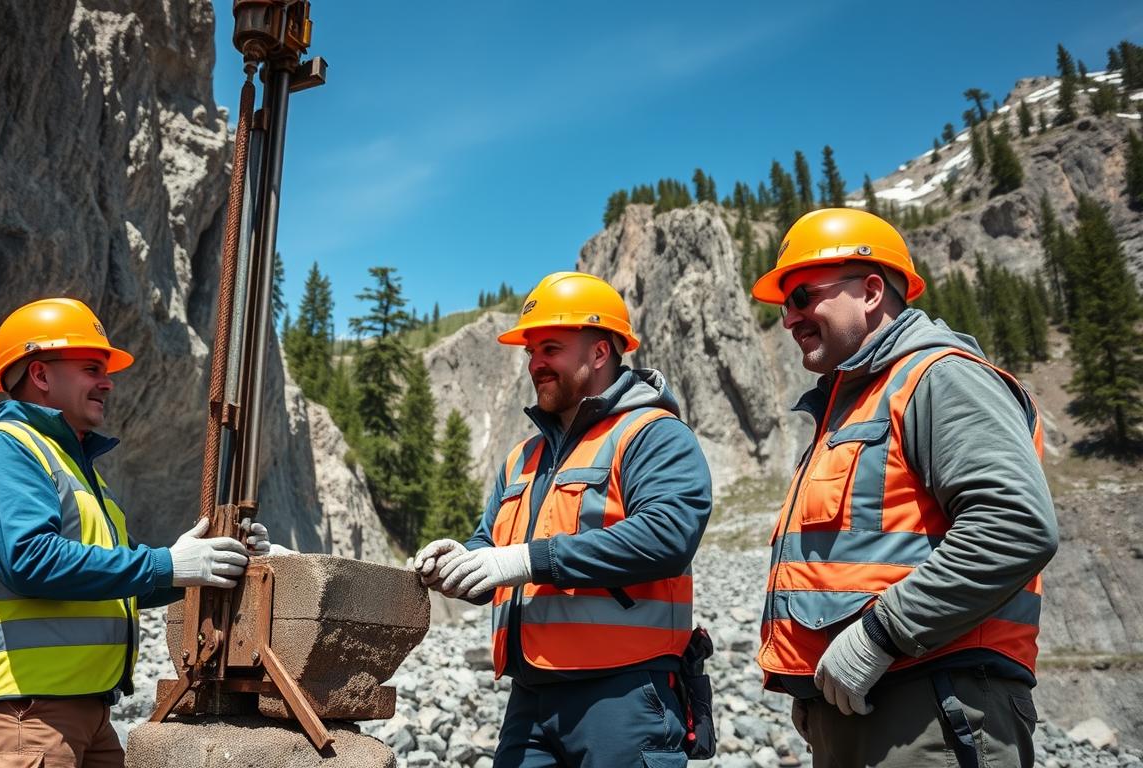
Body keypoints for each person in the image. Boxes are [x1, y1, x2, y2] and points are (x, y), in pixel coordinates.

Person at [751, 208, 1058, 767]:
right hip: (861, 709)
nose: (789, 318)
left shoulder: (940, 376)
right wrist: (811, 684)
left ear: (871, 291)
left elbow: (1015, 524)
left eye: (801, 297)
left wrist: (878, 637)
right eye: (782, 305)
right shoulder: (850, 407)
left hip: (937, 708)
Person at [0, 297, 272, 768]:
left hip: (84, 709)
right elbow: (31, 561)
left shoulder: (73, 467)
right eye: (92, 368)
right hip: (25, 711)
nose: (108, 383)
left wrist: (198, 565)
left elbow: (115, 583)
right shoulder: (3, 451)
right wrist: (166, 565)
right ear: (41, 374)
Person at [414, 272, 713, 767]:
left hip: (625, 695)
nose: (535, 364)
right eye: (530, 353)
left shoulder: (652, 434)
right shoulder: (522, 459)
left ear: (599, 353)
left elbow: (667, 535)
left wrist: (529, 561)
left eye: (549, 348)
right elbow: (492, 547)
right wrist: (461, 561)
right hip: (530, 698)